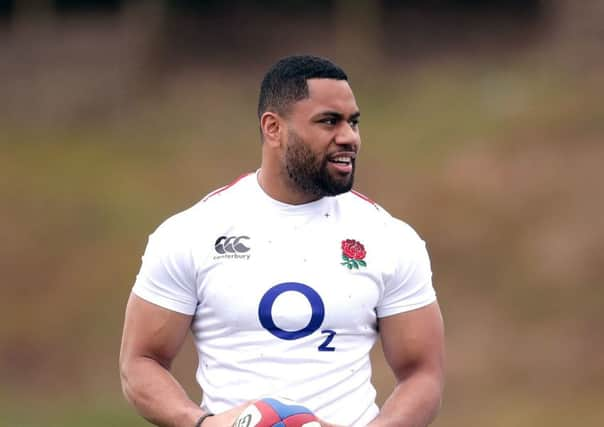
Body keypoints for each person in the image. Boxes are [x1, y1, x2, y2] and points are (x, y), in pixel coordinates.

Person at [119, 55, 445, 427]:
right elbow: (140, 362)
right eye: (329, 121)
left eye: (353, 122)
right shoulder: (192, 233)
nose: (349, 137)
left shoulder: (389, 238)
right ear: (273, 128)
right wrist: (203, 424)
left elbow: (423, 373)